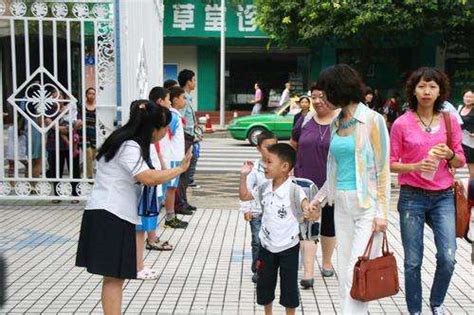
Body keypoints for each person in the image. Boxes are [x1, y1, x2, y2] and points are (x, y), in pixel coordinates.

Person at [76, 100, 192, 314]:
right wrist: (180, 170)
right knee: (114, 278)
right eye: (164, 128)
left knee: (114, 277)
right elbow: (147, 177)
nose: (166, 132)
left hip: (109, 213)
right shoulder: (129, 145)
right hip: (111, 215)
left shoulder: (124, 139)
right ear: (153, 128)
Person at [311, 64, 390, 314]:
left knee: (355, 272)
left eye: (325, 91)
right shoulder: (337, 122)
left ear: (338, 89)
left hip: (366, 206)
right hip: (340, 206)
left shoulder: (373, 121)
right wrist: (318, 199)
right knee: (345, 270)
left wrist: (382, 213)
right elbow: (334, 171)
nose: (322, 97)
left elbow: (383, 170)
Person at [390, 67, 465, 315]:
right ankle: (415, 310)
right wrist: (414, 166)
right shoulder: (402, 123)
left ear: (440, 91)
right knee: (413, 261)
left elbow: (460, 161)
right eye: (422, 86)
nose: (427, 91)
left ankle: (436, 302)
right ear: (413, 90)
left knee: (448, 257)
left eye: (432, 86)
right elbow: (390, 163)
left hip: (443, 196)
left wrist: (450, 154)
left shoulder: (449, 120)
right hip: (412, 196)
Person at [239, 143, 319, 315]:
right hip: (266, 247)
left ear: (284, 167)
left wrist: (311, 211)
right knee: (265, 286)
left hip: (289, 248)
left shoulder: (295, 191)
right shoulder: (264, 188)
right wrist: (243, 177)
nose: (265, 166)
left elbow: (310, 212)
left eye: (269, 162)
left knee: (289, 288)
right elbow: (244, 196)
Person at [290, 85, 339, 289]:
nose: (317, 101)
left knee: (328, 224)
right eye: (314, 97)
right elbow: (293, 143)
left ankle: (326, 262)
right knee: (305, 224)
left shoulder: (341, 122)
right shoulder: (306, 119)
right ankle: (307, 269)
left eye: (322, 96)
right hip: (304, 181)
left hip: (330, 183)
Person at [240, 131, 277, 284]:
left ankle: (272, 267)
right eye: (267, 147)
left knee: (273, 241)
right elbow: (246, 188)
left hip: (274, 212)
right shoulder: (254, 168)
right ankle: (258, 269)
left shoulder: (280, 165)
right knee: (257, 240)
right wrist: (246, 209)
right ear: (258, 148)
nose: (271, 150)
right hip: (257, 212)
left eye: (274, 146)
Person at [149, 86, 190, 229]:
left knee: (171, 188)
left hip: (173, 156)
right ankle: (169, 217)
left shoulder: (172, 113)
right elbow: (165, 135)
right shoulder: (171, 115)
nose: (170, 103)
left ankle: (169, 216)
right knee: (170, 188)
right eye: (183, 97)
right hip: (170, 157)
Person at [175, 69, 198, 214]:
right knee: (183, 173)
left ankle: (184, 201)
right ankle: (180, 203)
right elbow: (180, 119)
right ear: (188, 81)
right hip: (185, 138)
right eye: (194, 80)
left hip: (189, 137)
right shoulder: (183, 98)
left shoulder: (188, 97)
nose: (195, 83)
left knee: (187, 172)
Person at [78, 87, 97, 178]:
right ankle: (89, 176)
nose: (92, 95)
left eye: (93, 94)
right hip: (83, 133)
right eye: (90, 93)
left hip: (94, 133)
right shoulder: (82, 106)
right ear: (86, 95)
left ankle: (86, 168)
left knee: (93, 155)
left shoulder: (98, 107)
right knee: (88, 153)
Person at [458, 89, 474, 178]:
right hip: (459, 141)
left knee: (471, 169)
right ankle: (454, 190)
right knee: (453, 166)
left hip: (471, 143)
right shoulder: (460, 108)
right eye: (466, 96)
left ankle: (471, 190)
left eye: (471, 97)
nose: (468, 99)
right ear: (463, 98)